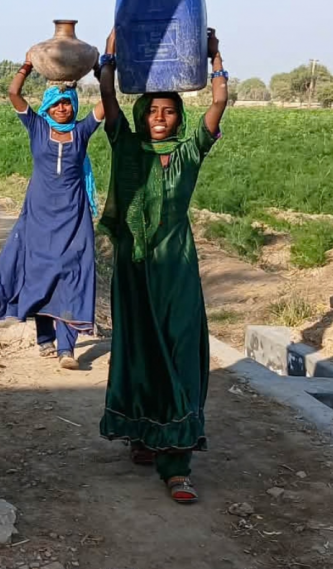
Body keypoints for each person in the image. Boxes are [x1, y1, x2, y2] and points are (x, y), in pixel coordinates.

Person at [97, 26, 229, 504]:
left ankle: (177, 465)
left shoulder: (189, 152)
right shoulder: (126, 146)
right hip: (133, 269)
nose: (160, 118)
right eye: (152, 111)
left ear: (178, 118)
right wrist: (110, 53)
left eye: (169, 111)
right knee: (137, 350)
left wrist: (216, 59)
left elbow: (216, 109)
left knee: (177, 351)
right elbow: (107, 98)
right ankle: (144, 435)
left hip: (175, 268)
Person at [0, 57, 104, 370]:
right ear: (48, 107)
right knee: (41, 275)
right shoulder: (37, 127)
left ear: (74, 106)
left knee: (72, 275)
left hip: (74, 218)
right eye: (57, 104)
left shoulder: (81, 132)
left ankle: (68, 349)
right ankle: (44, 338)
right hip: (38, 215)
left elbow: (108, 102)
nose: (62, 109)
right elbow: (14, 95)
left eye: (67, 103)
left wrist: (101, 70)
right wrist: (27, 67)